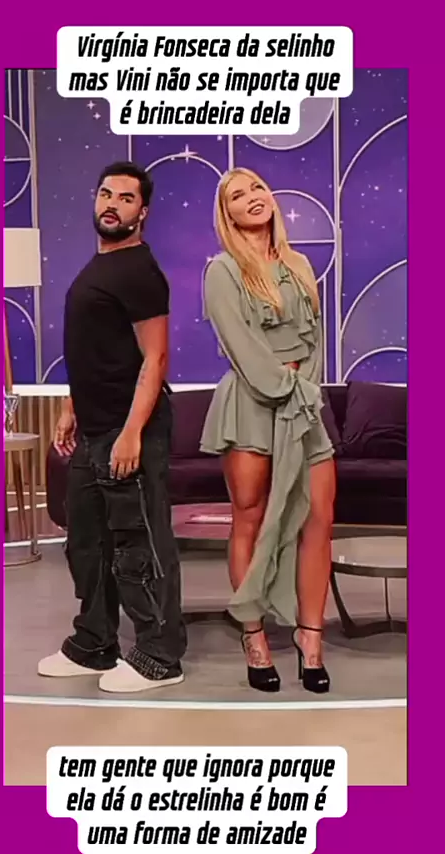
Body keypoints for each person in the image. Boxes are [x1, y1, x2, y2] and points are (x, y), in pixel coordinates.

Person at [38, 162, 187, 693]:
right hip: (93, 428)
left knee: (138, 544)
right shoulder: (98, 265)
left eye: (126, 198)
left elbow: (155, 358)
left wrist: (131, 433)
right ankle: (94, 644)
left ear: (142, 211)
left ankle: (160, 655)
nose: (112, 204)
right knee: (88, 543)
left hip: (129, 430)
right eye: (106, 194)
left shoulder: (140, 271)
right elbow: (94, 349)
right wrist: (71, 407)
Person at [201, 168, 335, 694]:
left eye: (257, 188)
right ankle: (254, 637)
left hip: (303, 406)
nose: (252, 198)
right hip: (253, 406)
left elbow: (315, 340)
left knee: (319, 517)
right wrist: (286, 387)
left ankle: (311, 639)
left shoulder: (299, 264)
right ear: (228, 215)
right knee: (250, 519)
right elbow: (243, 346)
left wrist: (307, 390)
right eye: (238, 195)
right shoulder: (223, 271)